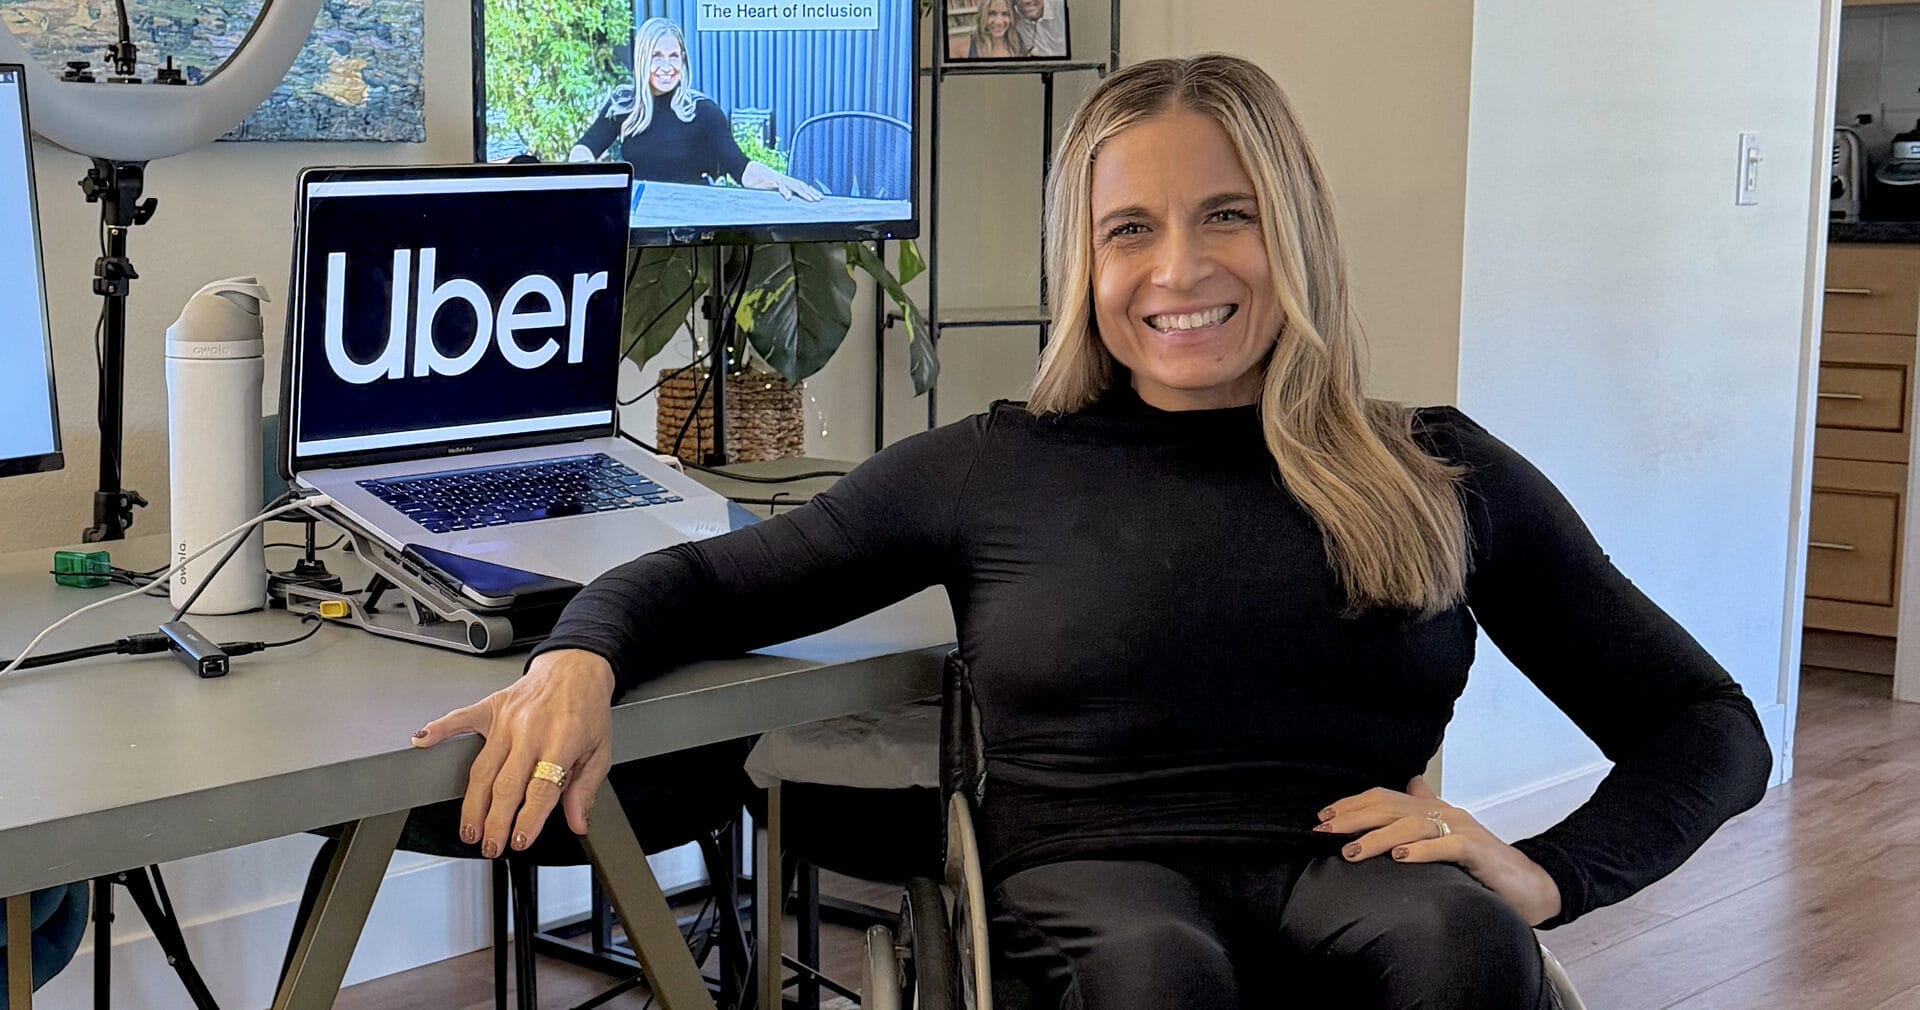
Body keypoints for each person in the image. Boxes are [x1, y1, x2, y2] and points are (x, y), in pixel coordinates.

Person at [417, 54, 1773, 1009]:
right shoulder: (994, 469)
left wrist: (1548, 876)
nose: (1179, 268)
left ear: (1297, 233)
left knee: (1466, 945)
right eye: (1131, 229)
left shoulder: (1435, 469)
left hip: (1350, 865)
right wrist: (580, 656)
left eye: (1229, 215)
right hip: (1089, 887)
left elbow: (1709, 726)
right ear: (1086, 261)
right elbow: (715, 580)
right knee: (1157, 974)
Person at [569, 17, 821, 202]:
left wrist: (780, 180)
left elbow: (741, 168)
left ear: (683, 60)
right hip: (642, 219)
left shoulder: (704, 111)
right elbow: (584, 147)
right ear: (643, 60)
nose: (666, 66)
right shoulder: (624, 104)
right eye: (657, 56)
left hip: (693, 222)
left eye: (673, 56)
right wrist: (585, 170)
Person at [950, 0, 1027, 60]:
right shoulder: (962, 48)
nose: (999, 22)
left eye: (1005, 14)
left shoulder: (1021, 45)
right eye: (992, 14)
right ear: (982, 16)